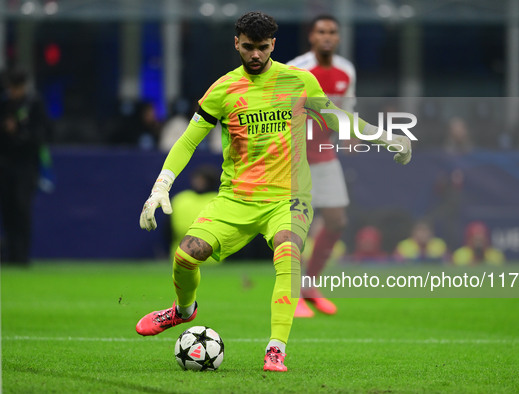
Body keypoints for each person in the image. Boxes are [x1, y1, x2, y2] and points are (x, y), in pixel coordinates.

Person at [135, 11, 412, 372]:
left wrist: (385, 136)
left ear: (273, 46)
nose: (255, 55)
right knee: (186, 257)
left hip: (288, 197)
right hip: (236, 198)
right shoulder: (222, 89)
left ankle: (276, 348)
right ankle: (183, 311)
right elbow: (188, 141)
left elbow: (338, 119)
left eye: (262, 48)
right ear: (236, 43)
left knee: (288, 250)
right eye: (248, 47)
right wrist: (162, 184)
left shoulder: (299, 81)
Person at [286, 15, 355, 318]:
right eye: (321, 32)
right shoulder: (296, 68)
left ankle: (310, 285)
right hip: (295, 157)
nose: (327, 37)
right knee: (296, 227)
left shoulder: (346, 70)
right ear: (311, 37)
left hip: (326, 155)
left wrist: (349, 133)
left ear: (337, 38)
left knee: (337, 220)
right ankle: (292, 294)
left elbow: (345, 108)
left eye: (332, 32)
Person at [0, 69, 53, 265]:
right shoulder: (5, 104)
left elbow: (42, 134)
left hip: (25, 165)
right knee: (7, 209)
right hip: (5, 165)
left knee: (21, 208)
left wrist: (20, 132)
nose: (13, 92)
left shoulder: (34, 104)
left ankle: (22, 255)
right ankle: (10, 253)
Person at [168, 165, 220, 262]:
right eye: (198, 179)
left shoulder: (218, 200)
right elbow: (167, 230)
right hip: (180, 256)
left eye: (203, 179)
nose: (199, 182)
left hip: (211, 260)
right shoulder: (180, 199)